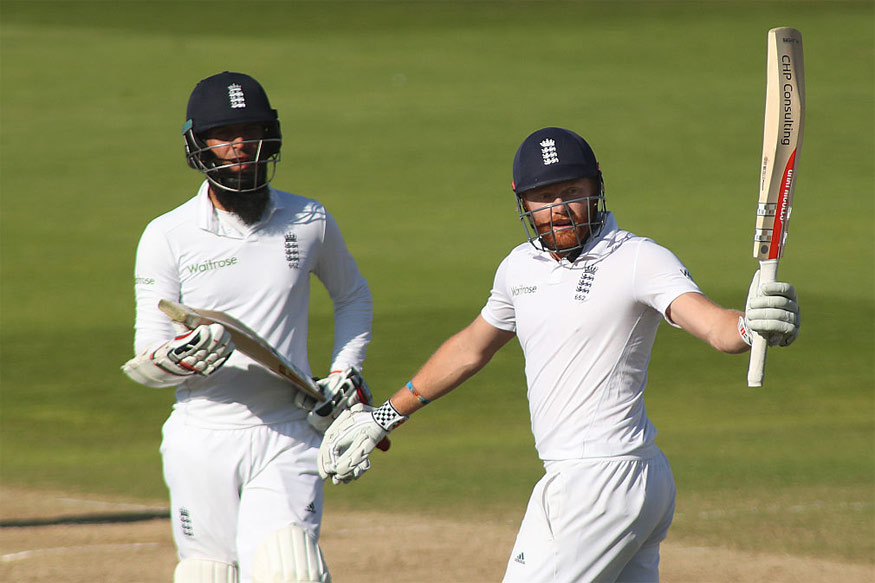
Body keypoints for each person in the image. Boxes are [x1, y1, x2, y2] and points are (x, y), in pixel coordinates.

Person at [317, 127, 800, 582]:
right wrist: (382, 417)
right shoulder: (518, 268)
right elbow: (470, 348)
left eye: (572, 191)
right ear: (523, 203)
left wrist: (749, 325)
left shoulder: (637, 258)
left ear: (596, 189)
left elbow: (713, 326)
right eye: (544, 198)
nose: (560, 208)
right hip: (627, 482)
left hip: (597, 481)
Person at [122, 71, 373, 583]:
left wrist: (345, 370)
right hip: (202, 435)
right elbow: (146, 351)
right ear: (199, 145)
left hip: (287, 430)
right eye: (224, 135)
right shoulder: (168, 235)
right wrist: (182, 356)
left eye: (251, 132)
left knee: (291, 571)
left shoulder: (309, 219)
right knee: (208, 573)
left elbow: (353, 296)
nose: (240, 147)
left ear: (270, 137)